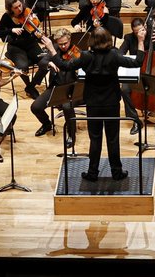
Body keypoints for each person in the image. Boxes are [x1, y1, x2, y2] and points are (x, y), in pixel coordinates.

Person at [44, 27, 142, 181]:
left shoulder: (85, 56)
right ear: (108, 40)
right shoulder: (114, 55)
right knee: (113, 138)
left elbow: (64, 65)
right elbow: (137, 62)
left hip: (93, 103)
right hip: (111, 103)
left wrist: (51, 48)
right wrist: (141, 41)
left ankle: (92, 173)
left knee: (95, 139)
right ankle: (117, 172)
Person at [121, 15, 155, 135]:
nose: (138, 34)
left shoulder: (154, 36)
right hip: (137, 72)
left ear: (145, 28)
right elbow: (121, 53)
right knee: (124, 89)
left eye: (140, 31)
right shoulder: (129, 38)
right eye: (135, 32)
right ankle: (135, 120)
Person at [31, 30, 79, 145]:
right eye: (60, 43)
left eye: (65, 43)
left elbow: (71, 65)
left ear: (70, 40)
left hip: (71, 88)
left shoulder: (76, 52)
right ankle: (47, 124)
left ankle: (71, 133)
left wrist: (54, 54)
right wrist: (49, 63)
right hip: (55, 87)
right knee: (35, 107)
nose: (63, 46)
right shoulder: (55, 49)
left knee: (67, 107)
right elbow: (42, 62)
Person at [0, 0, 46, 97]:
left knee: (46, 62)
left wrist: (37, 32)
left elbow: (33, 30)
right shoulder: (6, 17)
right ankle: (29, 85)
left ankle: (31, 86)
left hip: (30, 44)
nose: (20, 9)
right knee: (23, 67)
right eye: (16, 8)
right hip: (16, 47)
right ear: (10, 9)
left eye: (20, 5)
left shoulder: (27, 12)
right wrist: (11, 30)